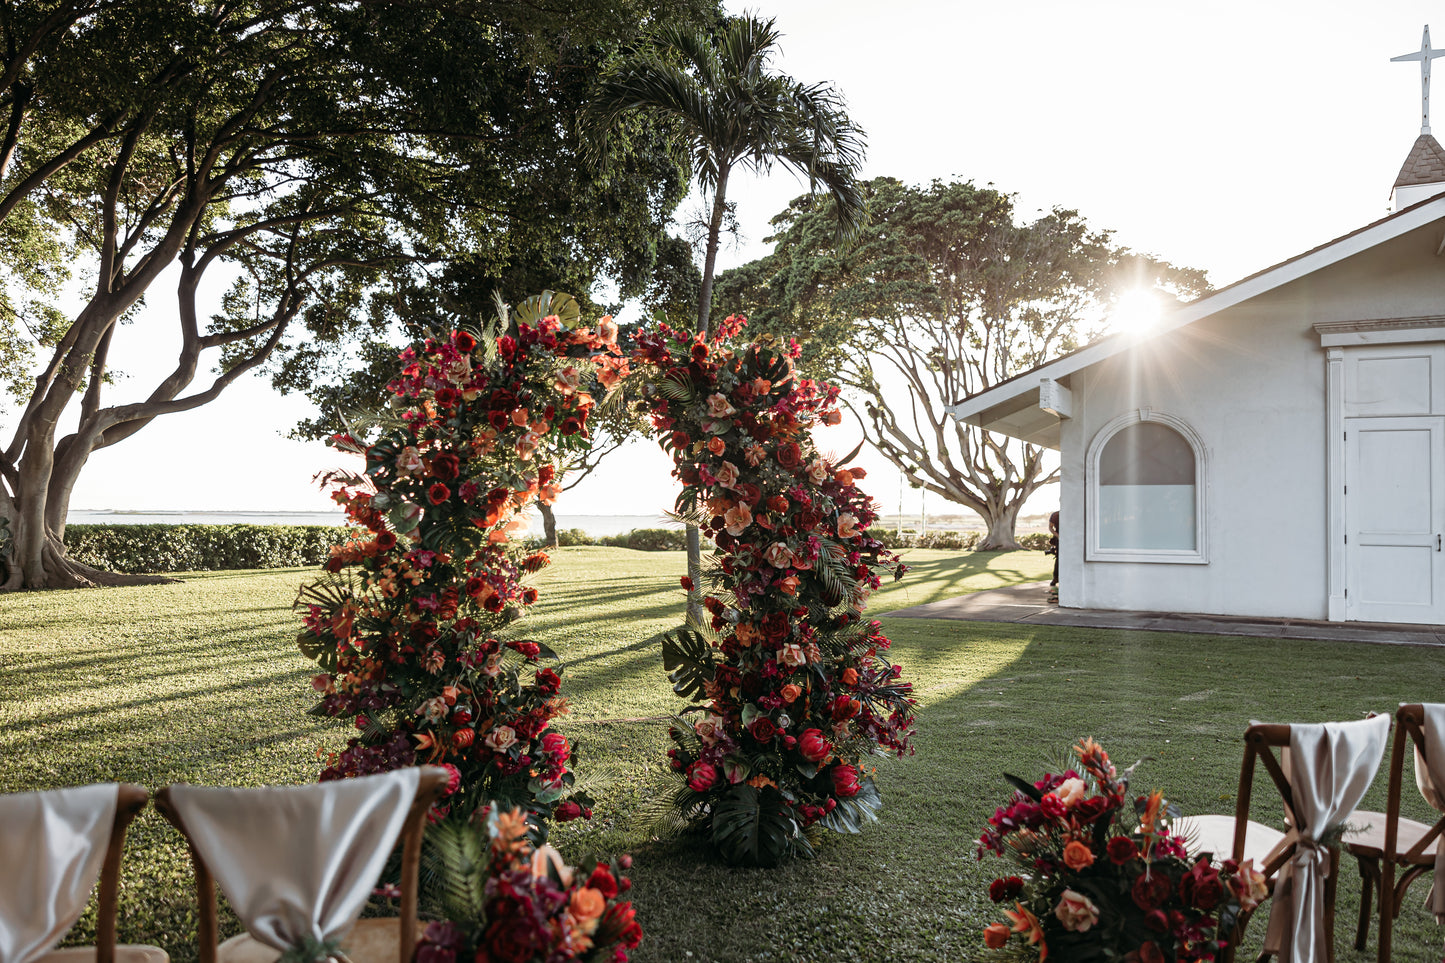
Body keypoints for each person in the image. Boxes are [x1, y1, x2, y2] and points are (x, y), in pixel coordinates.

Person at [1046, 510, 1059, 603]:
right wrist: (1058, 536)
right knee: (1059, 558)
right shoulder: (1056, 515)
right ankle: (1055, 578)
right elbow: (1050, 527)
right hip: (1059, 540)